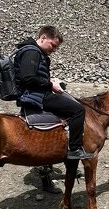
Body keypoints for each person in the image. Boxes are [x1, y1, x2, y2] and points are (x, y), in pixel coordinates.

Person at [13, 25, 93, 161]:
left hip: (36, 93)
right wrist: (51, 85)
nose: (54, 50)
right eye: (53, 45)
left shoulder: (33, 51)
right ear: (43, 38)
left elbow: (31, 75)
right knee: (78, 110)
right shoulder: (32, 52)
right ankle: (74, 149)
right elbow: (28, 78)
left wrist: (49, 80)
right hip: (36, 96)